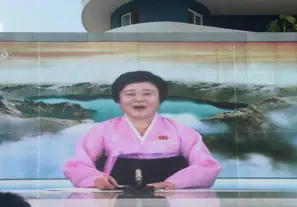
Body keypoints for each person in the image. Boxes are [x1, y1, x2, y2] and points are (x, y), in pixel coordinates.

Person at [62, 71, 221, 190]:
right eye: (130, 94)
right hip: (114, 197)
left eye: (147, 94)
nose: (139, 99)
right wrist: (96, 180)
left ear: (160, 99)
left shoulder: (182, 132)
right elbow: (77, 164)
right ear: (118, 100)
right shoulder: (100, 131)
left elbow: (206, 166)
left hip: (171, 198)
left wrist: (175, 183)